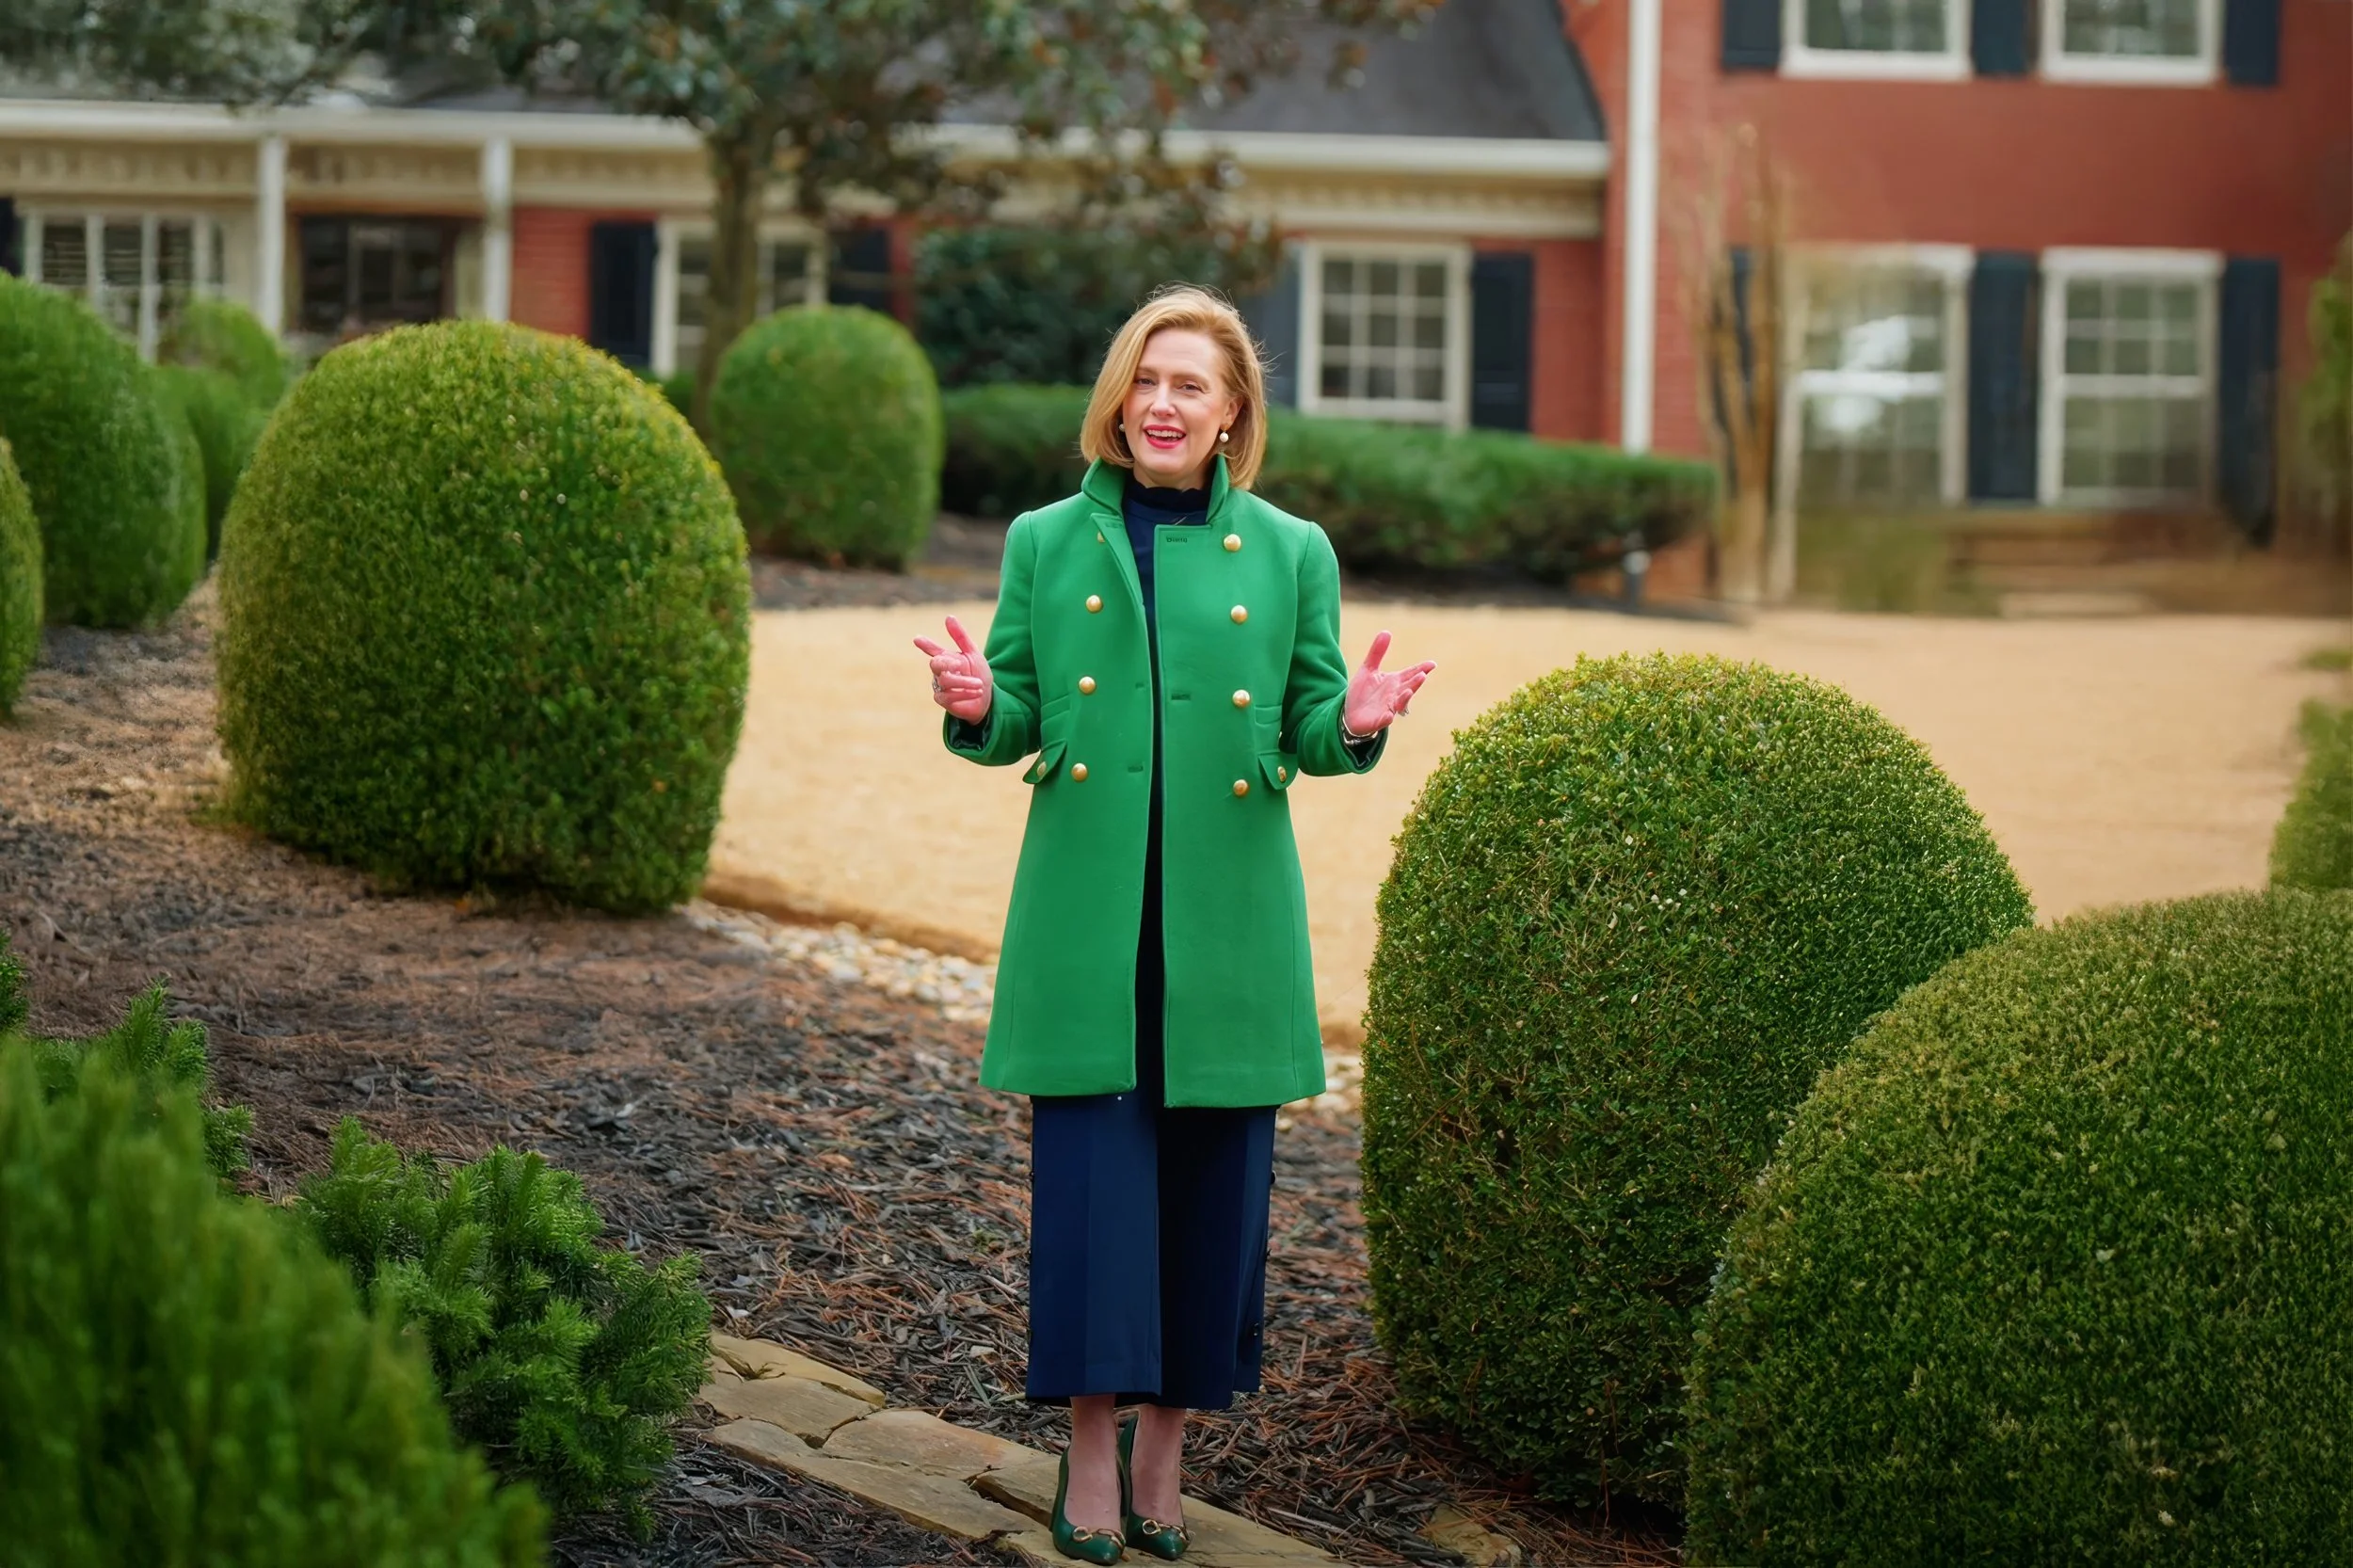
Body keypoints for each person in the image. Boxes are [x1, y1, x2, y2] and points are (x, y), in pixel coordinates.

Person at [914, 285, 1433, 1563]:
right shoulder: (1046, 539)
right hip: (1091, 916)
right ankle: (1088, 1451)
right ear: (1118, 397)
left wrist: (1357, 719)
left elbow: (1310, 727)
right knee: (1094, 1192)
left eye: (1191, 385)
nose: (1162, 402)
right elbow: (1018, 711)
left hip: (1229, 926)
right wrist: (981, 699)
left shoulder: (1290, 551)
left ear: (1231, 414)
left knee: (1214, 1196)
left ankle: (1165, 1451)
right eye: (1147, 378)